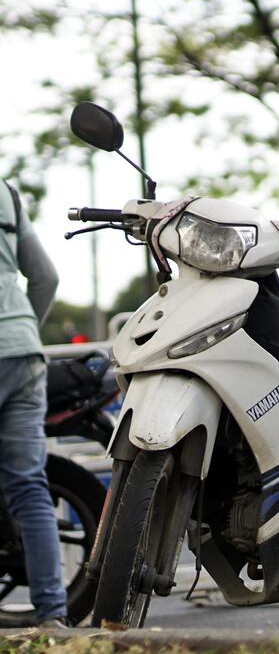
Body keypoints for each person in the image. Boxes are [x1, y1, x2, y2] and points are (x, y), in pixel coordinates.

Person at [0, 180, 67, 627]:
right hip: (22, 348)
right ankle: (52, 617)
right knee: (29, 487)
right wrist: (22, 327)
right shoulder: (5, 190)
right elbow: (45, 276)